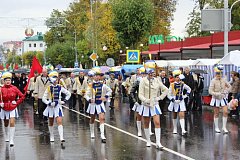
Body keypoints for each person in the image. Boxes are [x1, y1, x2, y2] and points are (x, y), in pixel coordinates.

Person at [138, 60, 168, 149]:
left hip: (155, 104)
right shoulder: (143, 81)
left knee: (157, 122)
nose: (152, 75)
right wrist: (145, 100)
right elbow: (140, 94)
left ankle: (158, 142)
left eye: (153, 73)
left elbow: (166, 89)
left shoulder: (157, 80)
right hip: (146, 105)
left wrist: (160, 98)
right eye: (150, 73)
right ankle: (148, 140)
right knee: (146, 123)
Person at [42, 71, 71, 142]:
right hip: (50, 107)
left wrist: (64, 101)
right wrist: (48, 103)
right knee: (51, 122)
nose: (56, 81)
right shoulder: (48, 88)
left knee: (59, 121)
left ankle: (61, 137)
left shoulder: (60, 87)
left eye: (57, 79)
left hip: (58, 107)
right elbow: (44, 98)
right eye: (54, 79)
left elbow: (68, 94)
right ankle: (51, 136)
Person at [84, 70, 112, 143]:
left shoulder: (102, 84)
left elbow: (110, 91)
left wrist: (105, 97)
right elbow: (86, 95)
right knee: (92, 119)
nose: (97, 77)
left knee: (101, 118)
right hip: (93, 105)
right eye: (96, 76)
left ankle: (102, 135)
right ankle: (92, 133)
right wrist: (89, 99)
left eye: (98, 76)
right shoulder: (90, 85)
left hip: (100, 104)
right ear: (93, 76)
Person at [0, 71, 25, 146]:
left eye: (9, 80)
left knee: (12, 122)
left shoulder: (14, 88)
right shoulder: (1, 89)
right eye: (6, 80)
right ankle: (7, 136)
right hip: (4, 107)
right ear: (4, 81)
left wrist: (17, 102)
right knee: (6, 123)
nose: (8, 82)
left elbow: (22, 96)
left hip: (12, 107)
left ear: (11, 81)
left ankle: (11, 139)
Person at [168, 69, 191, 135]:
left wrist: (185, 95)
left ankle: (183, 130)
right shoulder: (172, 85)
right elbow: (168, 94)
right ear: (174, 78)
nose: (178, 79)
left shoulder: (183, 84)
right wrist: (173, 99)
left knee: (182, 115)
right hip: (174, 102)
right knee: (174, 115)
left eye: (179, 77)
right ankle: (175, 128)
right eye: (176, 77)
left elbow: (189, 89)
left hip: (181, 101)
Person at [209, 64, 231, 133]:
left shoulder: (224, 80)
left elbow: (229, 86)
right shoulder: (213, 81)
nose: (219, 74)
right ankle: (216, 127)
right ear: (215, 74)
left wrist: (226, 91)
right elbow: (210, 91)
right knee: (217, 113)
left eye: (220, 73)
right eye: (217, 73)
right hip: (216, 98)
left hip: (222, 98)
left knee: (225, 112)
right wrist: (216, 93)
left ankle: (224, 127)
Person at [130, 67, 150, 137]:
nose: (144, 75)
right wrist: (134, 101)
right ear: (141, 75)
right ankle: (139, 131)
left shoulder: (150, 82)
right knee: (139, 117)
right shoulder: (137, 82)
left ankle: (149, 130)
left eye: (145, 74)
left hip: (147, 102)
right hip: (139, 102)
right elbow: (131, 92)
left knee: (148, 116)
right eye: (143, 74)